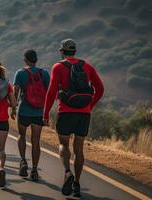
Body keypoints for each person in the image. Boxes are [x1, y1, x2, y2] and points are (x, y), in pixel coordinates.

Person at [43, 39, 104, 197]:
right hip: (84, 114)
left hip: (66, 112)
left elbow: (51, 92)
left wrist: (45, 113)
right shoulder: (88, 66)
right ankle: (77, 184)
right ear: (75, 51)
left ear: (62, 51)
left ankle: (67, 172)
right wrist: (90, 105)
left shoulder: (58, 67)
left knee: (63, 145)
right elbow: (100, 89)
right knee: (79, 149)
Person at [13, 50, 50, 182]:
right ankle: (34, 169)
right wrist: (47, 111)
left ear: (25, 59)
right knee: (36, 140)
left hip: (24, 110)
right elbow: (50, 92)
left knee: (21, 135)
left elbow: (15, 92)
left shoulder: (20, 73)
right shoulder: (44, 73)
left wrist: (13, 108)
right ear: (36, 59)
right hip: (39, 112)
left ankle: (23, 161)